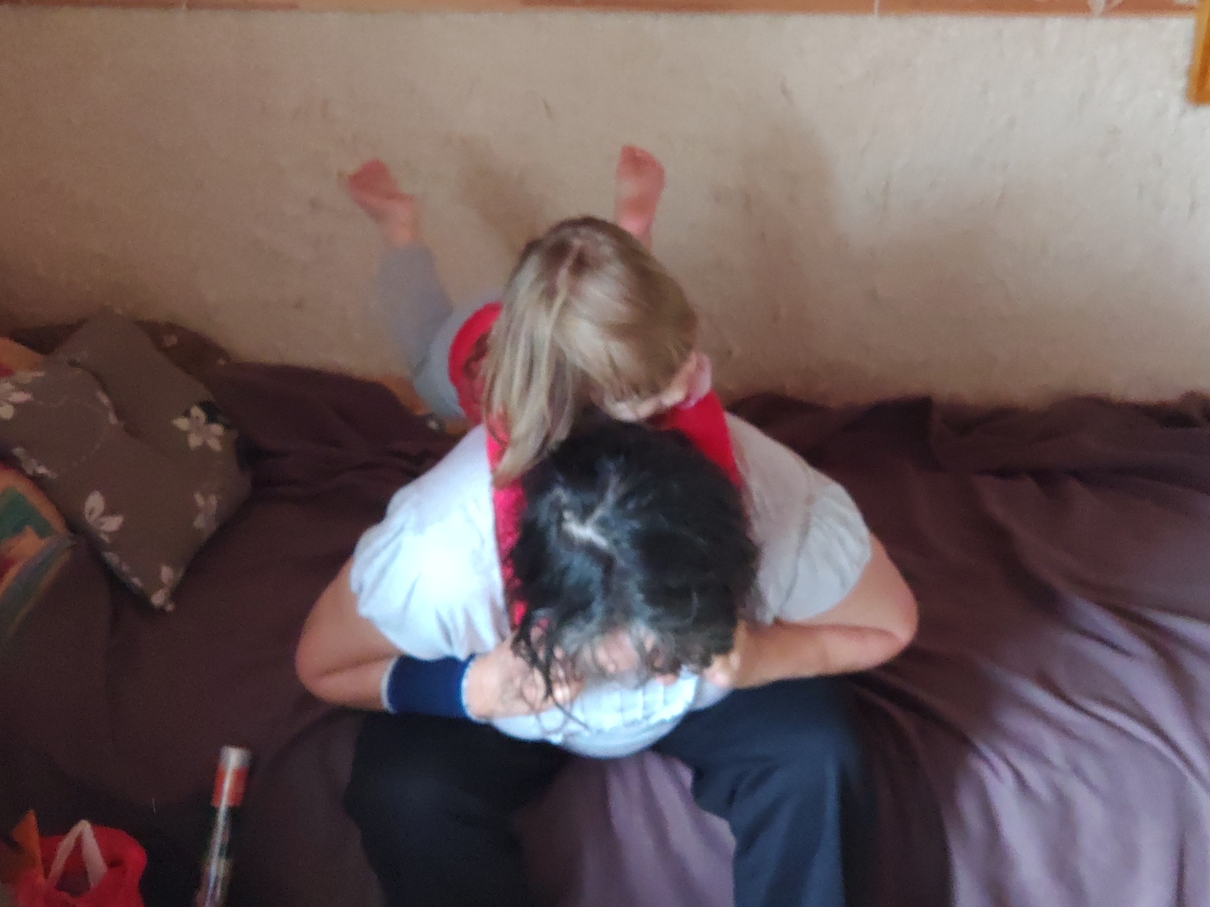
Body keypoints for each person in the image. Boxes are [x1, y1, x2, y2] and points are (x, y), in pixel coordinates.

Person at [295, 412, 918, 906]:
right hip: (506, 683)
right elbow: (322, 665)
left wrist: (761, 657)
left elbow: (890, 624)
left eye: (662, 650)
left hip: (720, 676)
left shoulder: (779, 517)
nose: (643, 675)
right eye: (617, 652)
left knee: (815, 754)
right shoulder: (440, 562)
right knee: (405, 795)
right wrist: (470, 688)